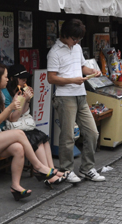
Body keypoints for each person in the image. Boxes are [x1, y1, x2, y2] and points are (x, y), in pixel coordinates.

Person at [0, 63, 62, 201]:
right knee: (19, 134)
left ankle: (15, 186)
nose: (7, 79)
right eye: (5, 77)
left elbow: (12, 118)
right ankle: (38, 167)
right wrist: (10, 106)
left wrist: (21, 101)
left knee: (18, 149)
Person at [47, 19, 105, 183]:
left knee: (92, 132)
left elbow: (82, 67)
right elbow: (51, 78)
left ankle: (87, 168)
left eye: (79, 38)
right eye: (74, 38)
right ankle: (66, 169)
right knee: (67, 135)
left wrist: (93, 71)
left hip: (80, 94)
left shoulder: (77, 48)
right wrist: (72, 80)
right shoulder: (54, 52)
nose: (77, 41)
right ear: (64, 35)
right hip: (65, 97)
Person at [4, 65, 64, 188]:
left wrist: (26, 100)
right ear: (12, 78)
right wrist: (23, 100)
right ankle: (47, 174)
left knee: (43, 139)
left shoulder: (19, 90)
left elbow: (24, 112)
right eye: (22, 78)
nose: (25, 81)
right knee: (37, 141)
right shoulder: (6, 93)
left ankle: (51, 170)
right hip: (12, 129)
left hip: (22, 126)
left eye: (26, 78)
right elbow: (13, 118)